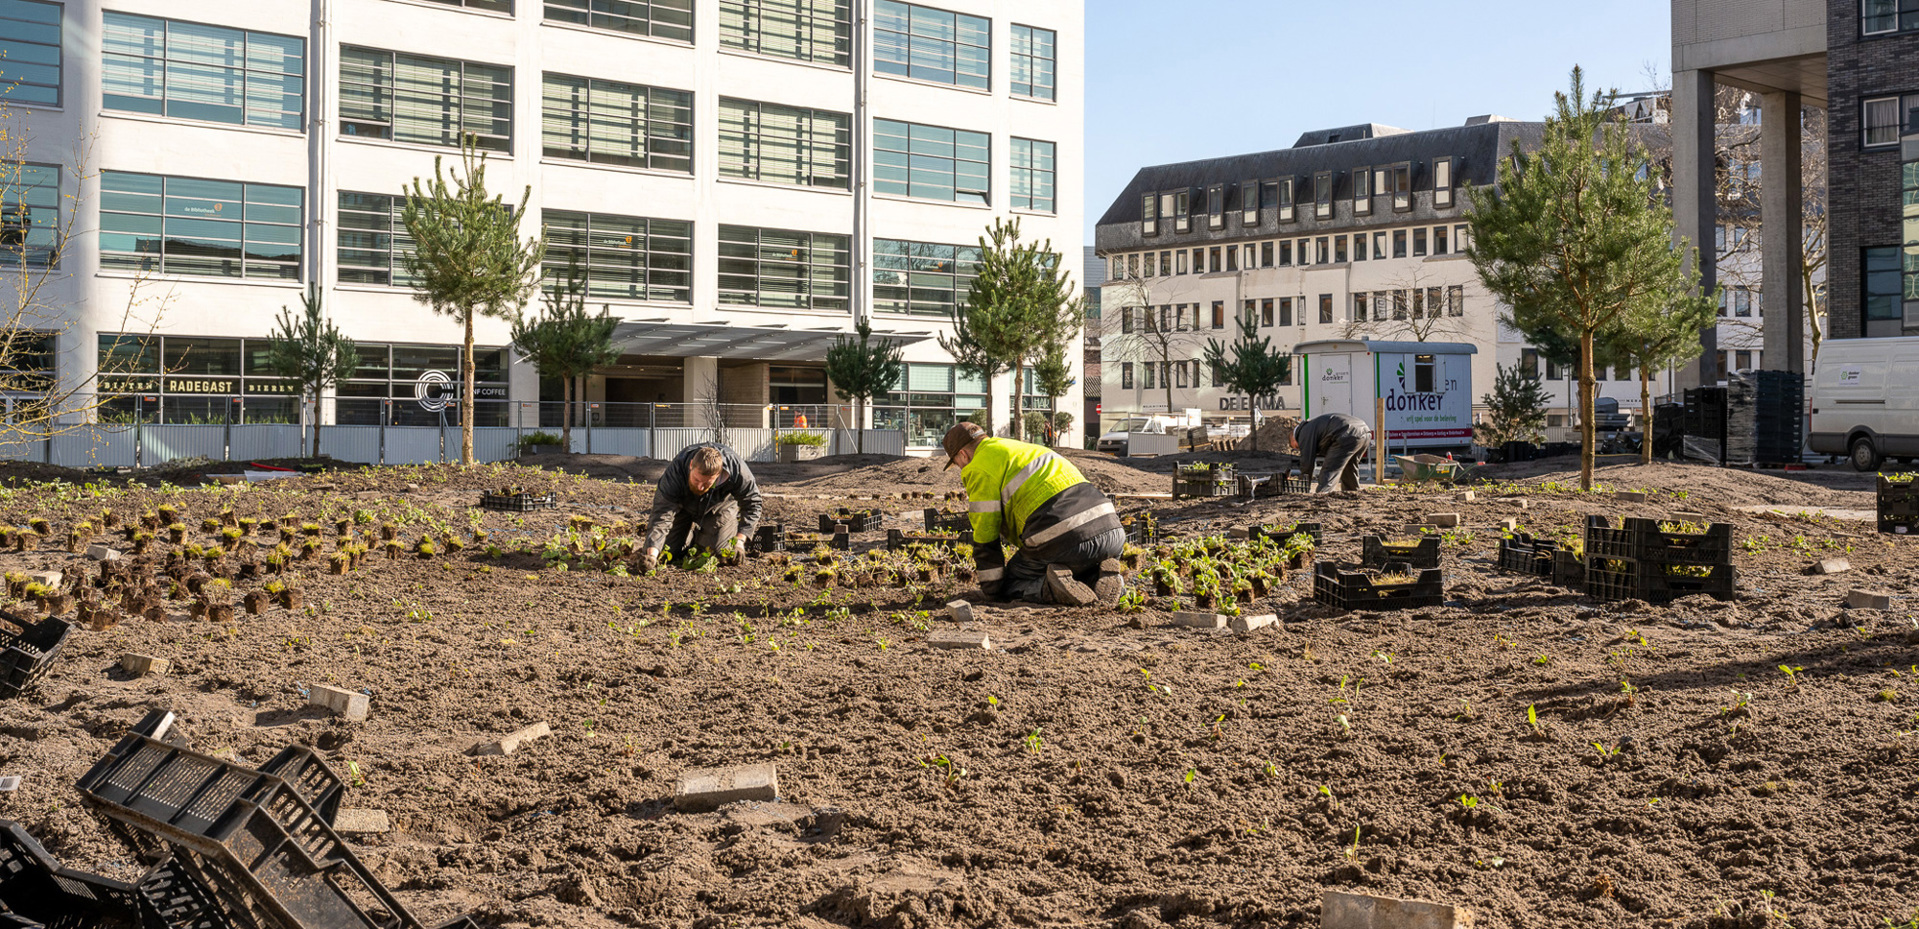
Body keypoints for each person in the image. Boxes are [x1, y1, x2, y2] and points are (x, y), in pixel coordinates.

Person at [943, 422, 1125, 606]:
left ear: (963, 455)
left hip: (1063, 535)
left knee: (1013, 583)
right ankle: (1100, 580)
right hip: (1112, 529)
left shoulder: (978, 467)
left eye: (957, 464)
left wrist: (993, 591)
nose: (961, 469)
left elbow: (985, 533)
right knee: (1076, 565)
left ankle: (1052, 591)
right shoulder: (1020, 448)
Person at [641, 444, 764, 570]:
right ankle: (686, 537)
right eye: (696, 479)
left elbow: (753, 503)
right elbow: (661, 513)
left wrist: (740, 541)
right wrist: (652, 555)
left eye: (707, 483)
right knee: (665, 554)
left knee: (717, 555)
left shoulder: (736, 469)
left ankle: (704, 538)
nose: (700, 487)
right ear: (691, 465)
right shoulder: (676, 471)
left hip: (720, 507)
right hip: (683, 506)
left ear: (718, 474)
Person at [1290, 412, 1372, 494]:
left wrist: (1302, 484)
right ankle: (1352, 492)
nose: (1299, 449)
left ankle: (1323, 494)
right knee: (1349, 467)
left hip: (1346, 433)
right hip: (1365, 432)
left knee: (1330, 469)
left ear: (1293, 438)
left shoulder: (1303, 433)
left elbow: (1307, 463)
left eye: (1296, 447)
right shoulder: (1311, 427)